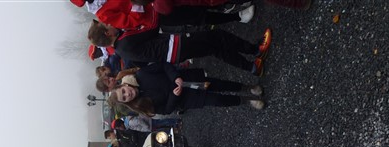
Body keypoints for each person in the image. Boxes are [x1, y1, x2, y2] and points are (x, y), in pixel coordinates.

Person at [88, 20, 271, 76]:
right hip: (176, 45)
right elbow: (152, 28)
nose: (110, 24)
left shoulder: (120, 50)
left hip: (173, 54)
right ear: (107, 33)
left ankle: (252, 67)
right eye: (107, 25)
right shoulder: (125, 39)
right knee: (217, 36)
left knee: (215, 49)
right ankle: (256, 50)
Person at [108, 62, 265, 114]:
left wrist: (175, 77)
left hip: (189, 80)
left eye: (123, 91)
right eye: (124, 98)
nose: (127, 94)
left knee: (221, 84)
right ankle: (248, 100)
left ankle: (248, 87)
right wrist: (174, 96)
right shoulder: (142, 106)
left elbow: (164, 65)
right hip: (187, 99)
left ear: (124, 85)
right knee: (219, 100)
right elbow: (167, 110)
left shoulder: (142, 74)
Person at [73, 0, 254, 34]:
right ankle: (238, 17)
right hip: (156, 13)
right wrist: (138, 3)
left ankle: (230, 3)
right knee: (197, 16)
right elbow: (129, 22)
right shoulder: (102, 13)